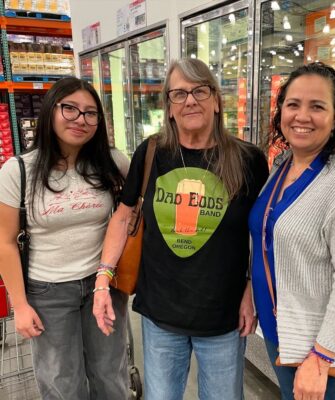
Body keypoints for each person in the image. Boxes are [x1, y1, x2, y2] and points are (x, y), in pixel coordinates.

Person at [93, 58, 268, 400]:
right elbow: (123, 215)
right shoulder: (152, 153)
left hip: (224, 317)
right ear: (169, 107)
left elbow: (260, 234)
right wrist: (103, 278)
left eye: (200, 90)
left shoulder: (247, 159)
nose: (190, 100)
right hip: (160, 316)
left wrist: (252, 292)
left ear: (216, 101)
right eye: (179, 94)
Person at [249, 61, 335, 400]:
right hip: (281, 331)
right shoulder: (282, 165)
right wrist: (250, 292)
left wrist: (322, 357)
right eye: (293, 104)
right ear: (280, 111)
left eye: (317, 106)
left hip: (319, 349)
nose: (302, 116)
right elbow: (266, 238)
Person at [0, 77, 131, 399]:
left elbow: (130, 215)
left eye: (90, 113)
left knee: (110, 374)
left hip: (105, 285)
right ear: (50, 111)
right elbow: (4, 242)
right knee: (61, 381)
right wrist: (20, 305)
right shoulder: (18, 170)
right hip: (48, 292)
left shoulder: (114, 163)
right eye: (69, 109)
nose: (80, 120)